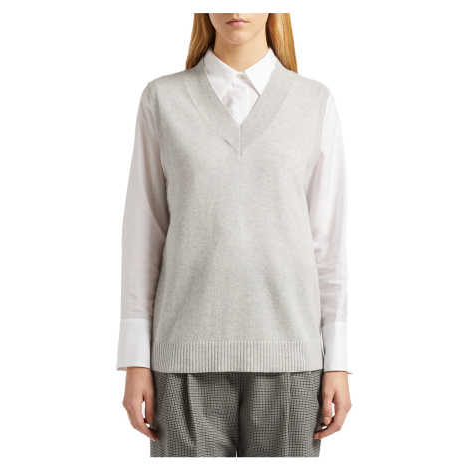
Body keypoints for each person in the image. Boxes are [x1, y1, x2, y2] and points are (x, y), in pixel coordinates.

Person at [117, 13, 352, 458]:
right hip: (183, 359)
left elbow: (327, 244)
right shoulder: (162, 100)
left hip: (292, 359)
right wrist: (135, 358)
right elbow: (143, 236)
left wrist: (337, 361)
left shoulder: (314, 102)